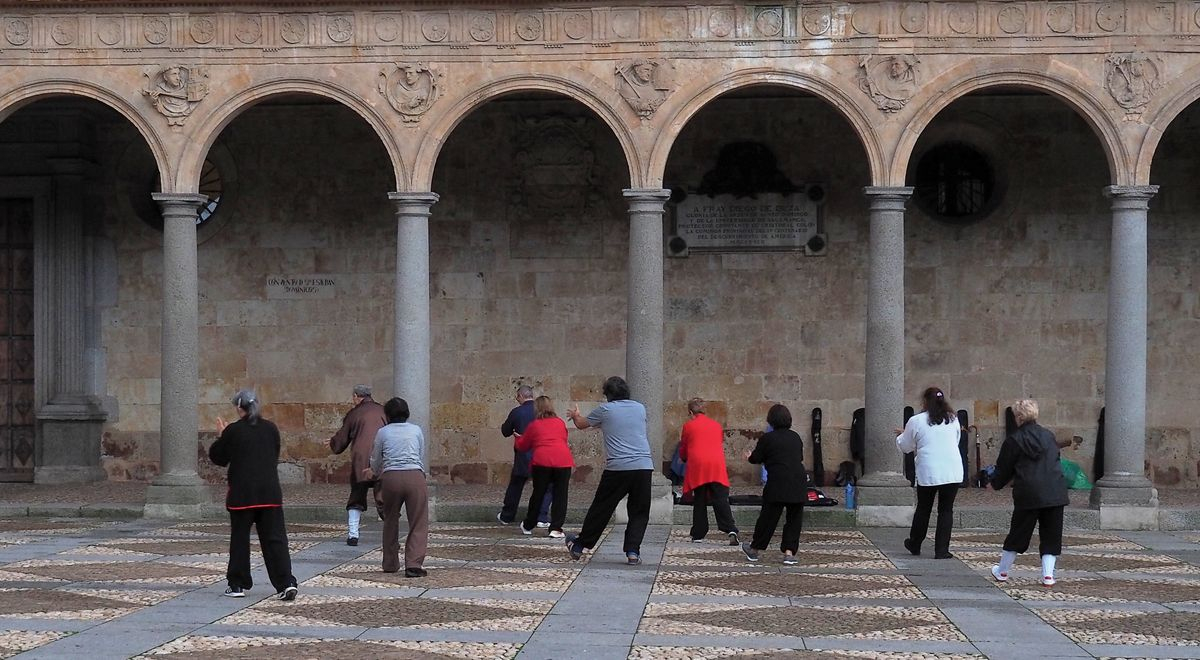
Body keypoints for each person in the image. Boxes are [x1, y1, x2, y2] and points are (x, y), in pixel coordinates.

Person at [208, 389, 298, 601]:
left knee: (240, 540)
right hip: (269, 493)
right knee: (275, 540)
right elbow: (273, 454)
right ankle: (285, 582)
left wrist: (221, 436)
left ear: (239, 408)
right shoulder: (271, 429)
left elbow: (219, 458)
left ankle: (237, 583)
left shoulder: (233, 430)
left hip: (242, 494)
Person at [563, 376, 654, 565]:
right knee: (639, 511)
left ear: (608, 395)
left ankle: (581, 545)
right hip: (644, 466)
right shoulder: (640, 408)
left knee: (602, 507)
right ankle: (633, 551)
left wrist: (575, 416)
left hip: (618, 467)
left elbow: (582, 425)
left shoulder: (605, 410)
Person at [989, 399, 1069, 587]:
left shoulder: (1014, 440)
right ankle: (1048, 575)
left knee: (1018, 533)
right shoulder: (1048, 436)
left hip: (1029, 492)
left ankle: (1002, 571)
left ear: (1018, 417)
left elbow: (1004, 467)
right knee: (1051, 535)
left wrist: (995, 484)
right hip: (1055, 491)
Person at [364, 397, 430, 577]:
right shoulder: (416, 430)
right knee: (418, 521)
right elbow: (420, 453)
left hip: (391, 477)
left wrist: (374, 472)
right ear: (407, 413)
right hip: (415, 475)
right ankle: (414, 564)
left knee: (390, 519)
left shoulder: (383, 432)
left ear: (388, 414)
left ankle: (390, 562)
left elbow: (376, 458)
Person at [896, 386, 963, 559]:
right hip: (952, 469)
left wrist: (901, 436)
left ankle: (915, 543)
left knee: (924, 508)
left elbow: (906, 446)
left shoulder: (916, 420)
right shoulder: (953, 419)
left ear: (924, 402)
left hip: (929, 469)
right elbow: (955, 440)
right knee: (946, 510)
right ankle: (942, 550)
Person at [742, 404, 807, 565]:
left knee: (768, 517)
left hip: (777, 482)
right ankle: (789, 553)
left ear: (771, 421)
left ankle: (755, 549)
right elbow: (799, 456)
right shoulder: (795, 437)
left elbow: (757, 457)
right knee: (794, 519)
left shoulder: (768, 438)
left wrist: (749, 456)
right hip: (797, 481)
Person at [329, 384, 387, 546]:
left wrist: (333, 443)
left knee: (357, 495)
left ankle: (353, 534)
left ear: (356, 396)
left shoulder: (354, 413)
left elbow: (342, 438)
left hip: (360, 459)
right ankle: (392, 533)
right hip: (382, 458)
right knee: (383, 497)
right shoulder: (383, 410)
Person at [679, 398, 739, 545]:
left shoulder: (688, 426)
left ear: (690, 412)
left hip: (698, 466)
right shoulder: (716, 425)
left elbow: (684, 447)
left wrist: (684, 457)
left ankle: (698, 533)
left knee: (699, 499)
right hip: (716, 465)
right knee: (720, 498)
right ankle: (730, 528)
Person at [514, 396, 573, 539]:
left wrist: (517, 438)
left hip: (542, 461)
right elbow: (563, 438)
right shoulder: (559, 422)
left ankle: (529, 524)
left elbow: (523, 445)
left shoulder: (534, 425)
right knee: (560, 495)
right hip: (563, 460)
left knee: (538, 494)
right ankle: (556, 528)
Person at [497, 385, 552, 527]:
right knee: (545, 486)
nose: (517, 399)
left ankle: (507, 516)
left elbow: (505, 431)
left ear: (521, 396)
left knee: (516, 486)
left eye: (517, 397)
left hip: (523, 455)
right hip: (541, 455)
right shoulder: (541, 412)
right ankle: (542, 516)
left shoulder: (517, 412)